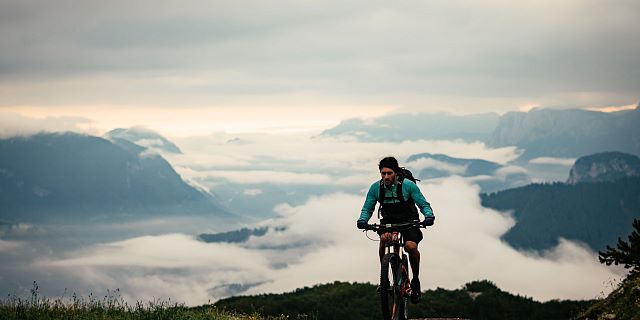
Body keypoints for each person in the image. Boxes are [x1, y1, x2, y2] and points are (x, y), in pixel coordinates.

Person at [357, 156, 435, 303]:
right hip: (388, 221)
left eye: (389, 173)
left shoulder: (408, 186)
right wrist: (362, 220)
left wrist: (429, 216)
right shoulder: (376, 188)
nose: (386, 176)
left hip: (409, 221)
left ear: (396, 173)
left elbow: (423, 204)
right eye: (383, 173)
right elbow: (368, 207)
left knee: (410, 246)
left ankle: (415, 280)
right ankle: (384, 278)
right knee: (384, 239)